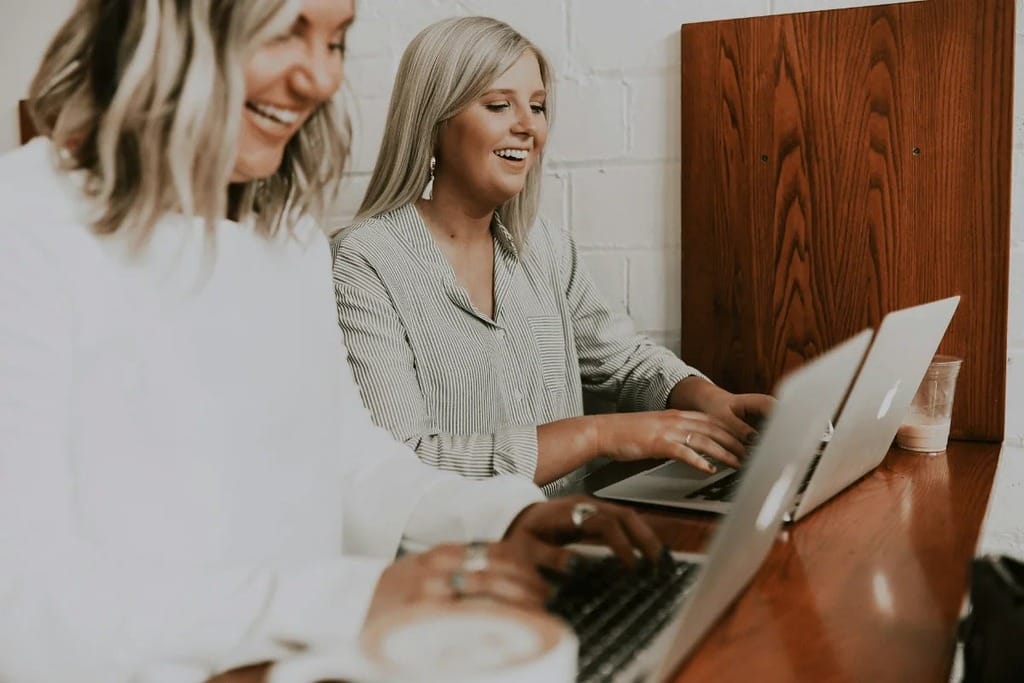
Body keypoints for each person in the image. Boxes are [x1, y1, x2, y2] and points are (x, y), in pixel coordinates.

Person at [0, 2, 664, 681]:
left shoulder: (284, 238)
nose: (319, 79)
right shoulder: (23, 232)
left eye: (337, 41)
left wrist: (510, 517)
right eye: (287, 31)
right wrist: (351, 599)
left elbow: (354, 462)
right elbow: (24, 604)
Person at [332, 16, 774, 493]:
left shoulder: (544, 249)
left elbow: (624, 362)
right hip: (459, 558)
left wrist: (709, 399)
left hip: (572, 538)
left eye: (538, 107)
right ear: (434, 122)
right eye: (499, 105)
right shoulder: (363, 262)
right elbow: (405, 466)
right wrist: (597, 434)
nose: (528, 126)